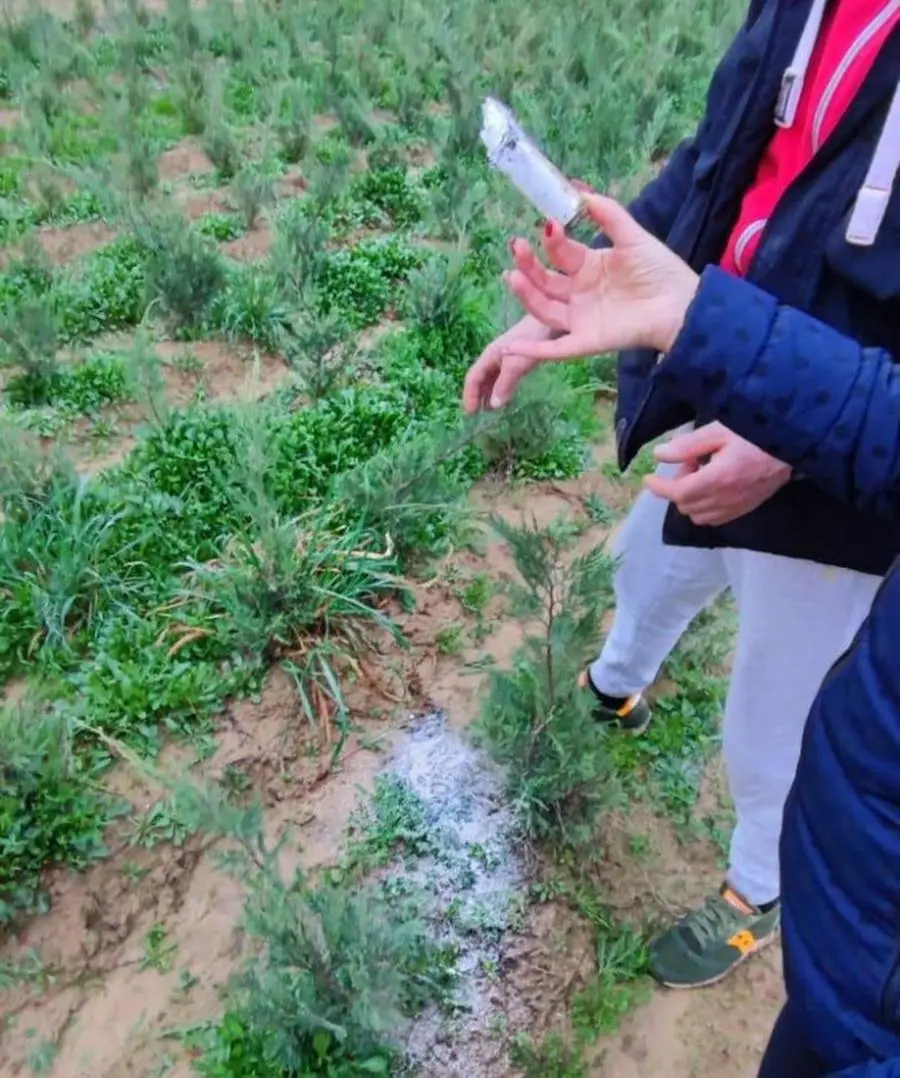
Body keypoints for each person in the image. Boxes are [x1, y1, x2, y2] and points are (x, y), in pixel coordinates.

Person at [466, 0, 899, 989]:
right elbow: (724, 154)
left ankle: (759, 888)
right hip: (721, 370)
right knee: (650, 563)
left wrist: (797, 437)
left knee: (775, 720)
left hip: (843, 466)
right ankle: (616, 684)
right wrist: (614, 268)